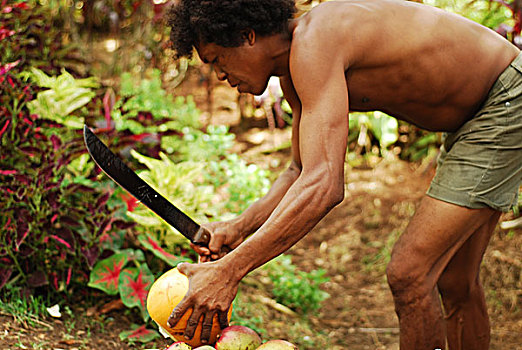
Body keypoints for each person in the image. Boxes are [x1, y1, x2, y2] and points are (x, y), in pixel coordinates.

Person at [164, 0, 522, 349]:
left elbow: (324, 184)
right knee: (455, 280)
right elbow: (301, 169)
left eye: (216, 60)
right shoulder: (294, 69)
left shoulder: (317, 38)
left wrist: (230, 271)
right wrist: (239, 226)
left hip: (503, 101)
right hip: (479, 114)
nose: (220, 76)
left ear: (248, 35)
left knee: (410, 273)